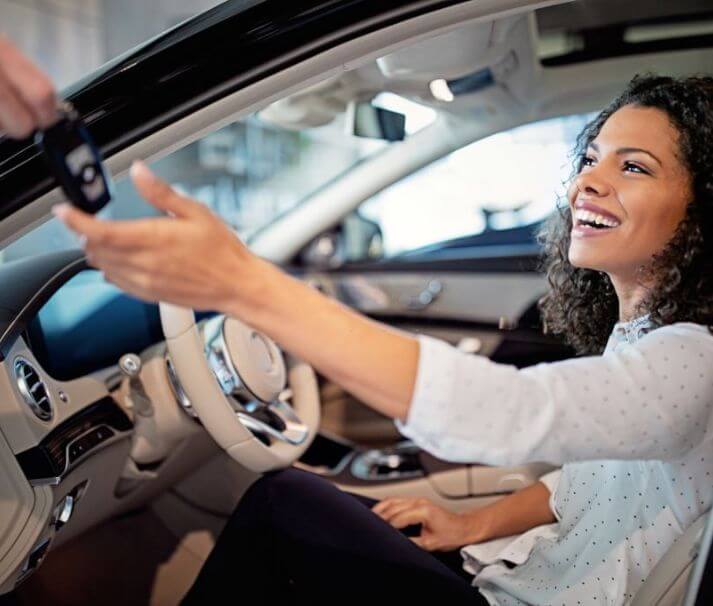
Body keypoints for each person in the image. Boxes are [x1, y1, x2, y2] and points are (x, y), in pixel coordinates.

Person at [0, 35, 711, 604]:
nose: (588, 178)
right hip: (514, 581)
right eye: (590, 157)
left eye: (634, 168)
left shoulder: (694, 359)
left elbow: (509, 412)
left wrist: (242, 283)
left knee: (285, 505)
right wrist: (471, 523)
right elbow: (590, 481)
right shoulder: (644, 341)